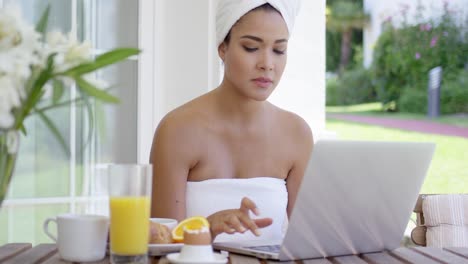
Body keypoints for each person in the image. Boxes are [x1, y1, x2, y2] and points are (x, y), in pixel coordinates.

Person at [150, 0, 313, 243]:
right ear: (222, 48)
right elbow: (159, 244)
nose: (267, 64)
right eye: (250, 47)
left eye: (279, 50)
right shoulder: (177, 130)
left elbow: (313, 244)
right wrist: (207, 227)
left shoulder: (296, 134)